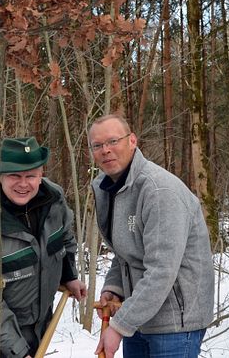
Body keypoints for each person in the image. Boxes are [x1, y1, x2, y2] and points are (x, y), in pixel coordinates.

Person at [89, 114, 215, 358]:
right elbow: (126, 250)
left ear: (132, 140)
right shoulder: (109, 189)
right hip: (140, 315)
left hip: (174, 322)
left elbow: (162, 270)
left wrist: (118, 326)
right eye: (97, 145)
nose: (106, 150)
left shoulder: (159, 191)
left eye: (113, 141)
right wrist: (115, 288)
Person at [0, 136, 87, 358]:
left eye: (30, 176)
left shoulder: (53, 199)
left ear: (41, 174)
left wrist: (68, 276)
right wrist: (19, 352)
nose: (23, 184)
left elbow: (63, 238)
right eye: (14, 175)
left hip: (37, 329)